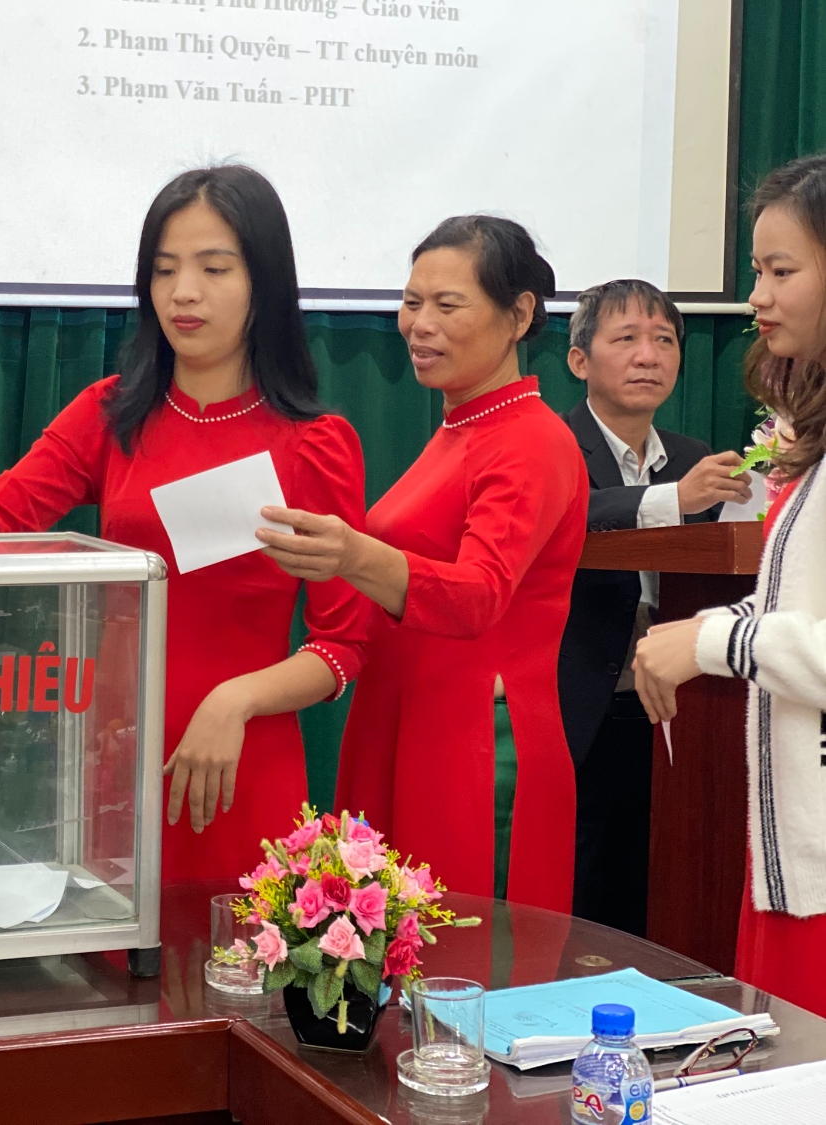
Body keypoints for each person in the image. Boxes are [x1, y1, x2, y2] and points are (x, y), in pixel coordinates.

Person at [0, 165, 371, 883]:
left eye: (214, 268)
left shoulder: (313, 443)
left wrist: (236, 699)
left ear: (264, 283)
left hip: (237, 761)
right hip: (112, 759)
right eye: (164, 270)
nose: (183, 292)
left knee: (231, 946)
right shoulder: (110, 414)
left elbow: (342, 645)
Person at [257, 216, 587, 911]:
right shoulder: (460, 429)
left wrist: (354, 553)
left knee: (468, 958)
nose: (419, 324)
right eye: (412, 303)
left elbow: (478, 596)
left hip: (473, 744)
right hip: (404, 725)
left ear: (519, 315)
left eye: (447, 304)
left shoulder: (530, 440)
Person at [634, 153, 826, 1017]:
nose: (757, 296)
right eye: (756, 271)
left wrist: (710, 639)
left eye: (782, 271)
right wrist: (703, 632)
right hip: (792, 847)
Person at [557, 280, 752, 936]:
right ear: (579, 360)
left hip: (679, 714)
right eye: (626, 339)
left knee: (663, 887)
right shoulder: (552, 445)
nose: (649, 356)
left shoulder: (694, 458)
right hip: (581, 706)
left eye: (664, 340)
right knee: (579, 896)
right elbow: (567, 516)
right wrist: (672, 500)